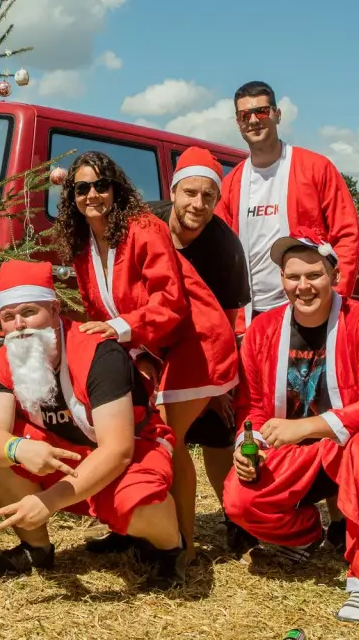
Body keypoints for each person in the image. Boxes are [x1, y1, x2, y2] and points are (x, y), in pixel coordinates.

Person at [223, 236, 359, 625]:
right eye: (293, 276)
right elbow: (252, 408)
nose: (303, 286)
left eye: (314, 275)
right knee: (239, 501)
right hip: (291, 451)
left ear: (334, 275)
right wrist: (247, 444)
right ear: (282, 279)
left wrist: (303, 427)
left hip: (347, 445)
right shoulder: (263, 330)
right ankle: (306, 533)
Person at [0, 260, 184, 589]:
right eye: (8, 317)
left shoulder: (98, 354)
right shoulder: (2, 363)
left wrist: (50, 501)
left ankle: (169, 551)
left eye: (29, 312)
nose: (19, 325)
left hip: (129, 453)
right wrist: (16, 447)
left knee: (140, 502)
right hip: (67, 454)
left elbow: (118, 450)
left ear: (55, 309)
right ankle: (35, 548)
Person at [55, 150, 191, 556]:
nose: (92, 195)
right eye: (82, 188)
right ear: (72, 196)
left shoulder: (144, 229)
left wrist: (121, 332)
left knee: (163, 442)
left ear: (115, 188)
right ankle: (125, 525)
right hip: (131, 351)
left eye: (100, 185)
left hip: (176, 346)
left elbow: (170, 302)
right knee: (116, 435)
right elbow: (93, 308)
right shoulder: (81, 243)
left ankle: (179, 542)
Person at [140, 147, 243, 551]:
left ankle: (236, 518)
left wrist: (218, 388)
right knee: (148, 433)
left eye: (208, 196)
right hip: (153, 339)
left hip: (202, 348)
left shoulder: (225, 249)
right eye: (190, 193)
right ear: (174, 190)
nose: (198, 204)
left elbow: (228, 322)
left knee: (217, 433)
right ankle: (143, 525)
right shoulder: (146, 222)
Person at [216, 81, 359, 321]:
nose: (253, 120)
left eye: (261, 111)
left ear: (277, 114)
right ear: (238, 122)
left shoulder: (316, 169)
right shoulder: (231, 184)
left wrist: (333, 298)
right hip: (250, 318)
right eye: (245, 115)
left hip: (308, 309)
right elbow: (219, 253)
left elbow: (347, 235)